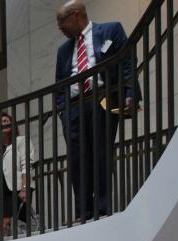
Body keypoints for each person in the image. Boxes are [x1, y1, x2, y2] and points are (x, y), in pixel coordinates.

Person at [54, 0, 141, 220]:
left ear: (75, 15)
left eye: (61, 21)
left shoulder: (111, 30)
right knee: (77, 160)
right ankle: (83, 210)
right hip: (74, 107)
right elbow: (59, 84)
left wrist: (131, 93)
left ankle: (102, 207)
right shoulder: (63, 51)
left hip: (103, 98)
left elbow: (128, 62)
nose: (59, 28)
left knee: (101, 152)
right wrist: (63, 112)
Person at [0, 112, 31, 237]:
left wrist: (24, 188)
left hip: (17, 188)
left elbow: (26, 165)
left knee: (13, 223)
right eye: (1, 122)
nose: (5, 123)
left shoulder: (21, 141)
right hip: (2, 193)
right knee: (3, 226)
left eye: (7, 121)